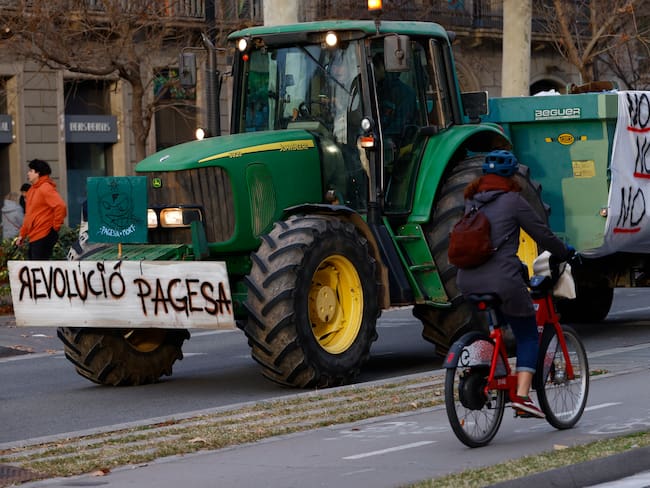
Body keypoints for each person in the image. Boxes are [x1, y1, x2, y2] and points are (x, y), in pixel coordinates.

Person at [456, 150, 572, 419]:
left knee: (498, 325)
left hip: (467, 280)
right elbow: (541, 234)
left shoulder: (471, 201)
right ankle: (521, 396)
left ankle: (494, 366)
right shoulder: (513, 201)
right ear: (511, 177)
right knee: (528, 333)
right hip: (503, 280)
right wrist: (565, 251)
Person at [16, 159, 67, 260]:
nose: (28, 173)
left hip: (44, 234)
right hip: (34, 235)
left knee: (39, 271)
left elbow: (60, 206)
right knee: (34, 269)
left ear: (38, 173)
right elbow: (29, 215)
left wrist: (55, 227)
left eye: (31, 170)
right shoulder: (32, 190)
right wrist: (22, 234)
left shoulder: (45, 188)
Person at [373, 53, 417, 140]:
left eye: (374, 69)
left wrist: (381, 137)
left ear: (383, 68)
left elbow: (401, 125)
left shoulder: (404, 93)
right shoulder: (376, 91)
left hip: (398, 143)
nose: (372, 73)